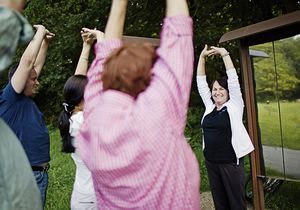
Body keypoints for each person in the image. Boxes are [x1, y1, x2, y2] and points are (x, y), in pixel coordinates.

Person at [77, 0, 200, 209]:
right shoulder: (159, 113)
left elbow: (103, 59)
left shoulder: (92, 119)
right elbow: (179, 37)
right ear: (148, 82)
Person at [0, 24, 55, 208]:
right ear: (19, 80)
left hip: (37, 175)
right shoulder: (10, 98)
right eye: (33, 79)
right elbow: (27, 63)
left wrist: (45, 43)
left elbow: (34, 68)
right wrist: (39, 33)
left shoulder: (23, 99)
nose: (36, 81)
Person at [196, 44, 255, 210]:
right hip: (211, 162)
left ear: (228, 92)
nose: (217, 92)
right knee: (220, 204)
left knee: (236, 203)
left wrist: (224, 54)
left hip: (230, 163)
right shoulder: (209, 107)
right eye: (214, 89)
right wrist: (201, 58)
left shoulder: (235, 105)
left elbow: (233, 79)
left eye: (221, 88)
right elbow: (201, 84)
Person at [58, 29, 97, 210]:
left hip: (84, 196)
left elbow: (77, 83)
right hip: (92, 199)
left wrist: (86, 46)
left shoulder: (74, 117)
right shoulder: (83, 122)